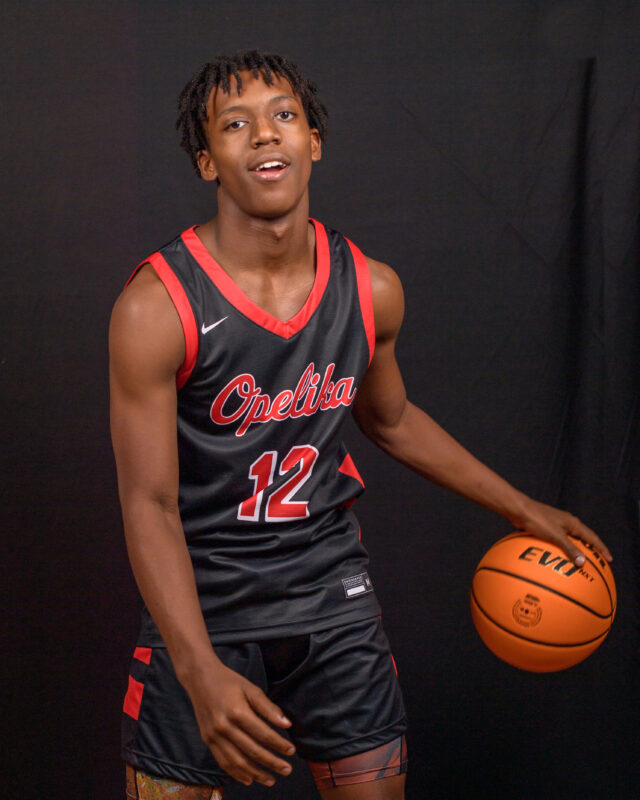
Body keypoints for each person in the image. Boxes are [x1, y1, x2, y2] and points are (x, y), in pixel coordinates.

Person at [109, 50, 612, 800]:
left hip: (331, 598)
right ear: (206, 161)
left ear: (313, 141)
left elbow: (391, 418)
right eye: (235, 125)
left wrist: (520, 507)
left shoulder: (370, 289)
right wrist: (196, 668)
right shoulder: (156, 307)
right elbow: (149, 503)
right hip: (203, 605)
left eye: (284, 116)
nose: (265, 134)